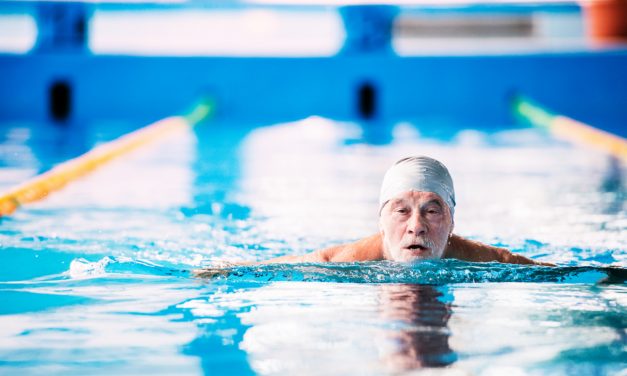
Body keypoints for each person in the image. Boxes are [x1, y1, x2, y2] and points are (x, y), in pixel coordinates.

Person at [196, 156, 552, 276]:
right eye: (401, 211)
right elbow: (300, 263)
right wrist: (231, 269)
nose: (416, 226)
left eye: (432, 210)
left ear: (452, 221)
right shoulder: (353, 259)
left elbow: (544, 273)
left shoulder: (482, 260)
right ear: (381, 222)